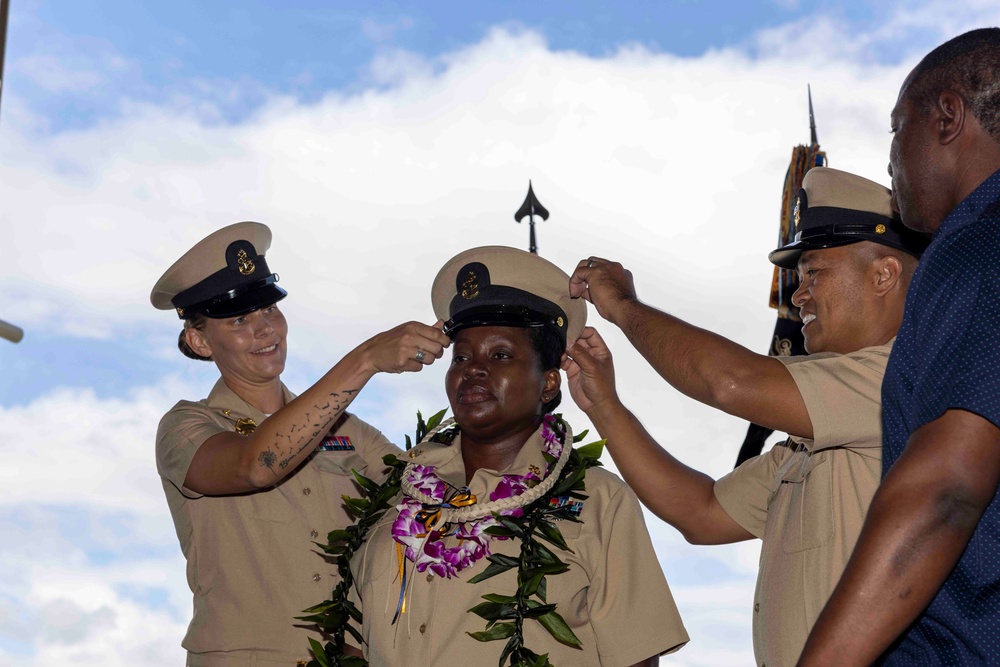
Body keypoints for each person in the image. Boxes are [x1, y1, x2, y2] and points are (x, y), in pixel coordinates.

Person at [564, 167, 929, 667]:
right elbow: (702, 512)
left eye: (814, 273)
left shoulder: (904, 379)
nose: (799, 296)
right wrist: (603, 404)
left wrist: (623, 307)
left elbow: (731, 382)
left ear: (884, 274)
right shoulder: (821, 426)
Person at [341, 246, 688, 666]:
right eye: (462, 357)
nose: (473, 369)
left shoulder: (596, 500)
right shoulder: (397, 493)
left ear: (548, 382)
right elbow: (354, 646)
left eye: (501, 355)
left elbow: (636, 658)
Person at [151, 221, 451, 666]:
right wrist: (366, 359)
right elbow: (256, 464)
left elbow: (436, 498)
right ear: (199, 341)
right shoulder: (187, 426)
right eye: (239, 319)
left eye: (270, 310)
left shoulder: (349, 431)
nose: (264, 329)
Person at [798, 28, 1000, 665]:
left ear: (946, 117)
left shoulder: (979, 245)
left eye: (895, 126)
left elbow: (946, 489)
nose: (889, 158)